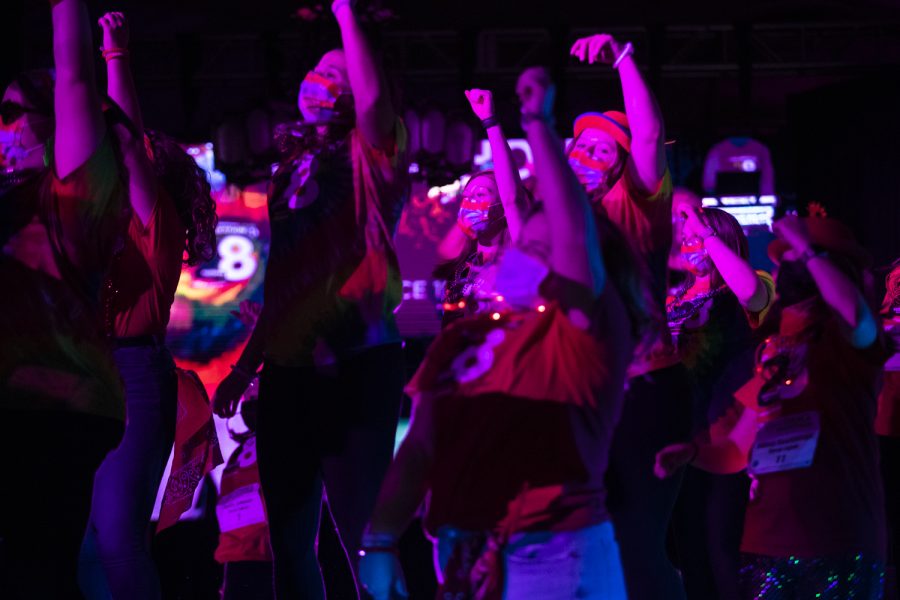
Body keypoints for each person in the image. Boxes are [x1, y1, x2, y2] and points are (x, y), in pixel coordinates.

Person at [357, 66, 658, 600]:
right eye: (524, 245)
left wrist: (539, 126)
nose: (523, 251)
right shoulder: (461, 338)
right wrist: (378, 541)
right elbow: (421, 445)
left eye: (543, 250)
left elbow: (572, 239)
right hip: (460, 550)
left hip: (553, 554)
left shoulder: (582, 334)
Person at [211, 1, 409, 596]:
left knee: (361, 534)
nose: (320, 82)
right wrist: (246, 367)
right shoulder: (289, 167)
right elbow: (284, 280)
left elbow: (374, 104)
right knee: (292, 544)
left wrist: (346, 15)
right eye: (317, 72)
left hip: (356, 361)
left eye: (337, 74)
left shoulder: (372, 154)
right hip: (288, 371)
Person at [655, 214, 888, 600]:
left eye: (794, 261)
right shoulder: (772, 350)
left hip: (838, 537)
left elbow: (854, 315)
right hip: (768, 542)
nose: (785, 268)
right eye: (786, 262)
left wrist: (809, 251)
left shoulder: (851, 346)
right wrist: (691, 453)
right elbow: (736, 449)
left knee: (715, 548)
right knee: (693, 555)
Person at [75, 12, 218, 600]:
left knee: (117, 541)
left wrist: (114, 59)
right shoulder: (94, 225)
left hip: (133, 377)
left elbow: (128, 142)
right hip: (86, 372)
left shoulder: (153, 221)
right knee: (82, 544)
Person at [0, 0, 129, 596]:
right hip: (21, 404)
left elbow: (74, 74)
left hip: (56, 408)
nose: (0, 127)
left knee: (40, 571)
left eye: (10, 113)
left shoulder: (73, 185)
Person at [569, 32, 690, 599]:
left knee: (639, 547)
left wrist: (622, 57)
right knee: (594, 542)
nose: (585, 156)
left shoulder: (636, 203)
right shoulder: (561, 220)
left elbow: (646, 134)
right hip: (584, 395)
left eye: (601, 150)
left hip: (643, 391)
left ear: (623, 167)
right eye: (579, 148)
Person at [666, 204, 774, 599]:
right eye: (689, 233)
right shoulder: (671, 299)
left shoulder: (745, 288)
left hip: (727, 441)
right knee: (688, 552)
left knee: (722, 550)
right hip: (679, 437)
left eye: (701, 233)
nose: (690, 238)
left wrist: (704, 231)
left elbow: (749, 291)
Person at [439, 88, 529, 326]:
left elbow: (513, 198)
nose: (470, 203)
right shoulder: (461, 266)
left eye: (481, 194)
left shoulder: (521, 252)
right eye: (466, 197)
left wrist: (490, 122)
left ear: (502, 205)